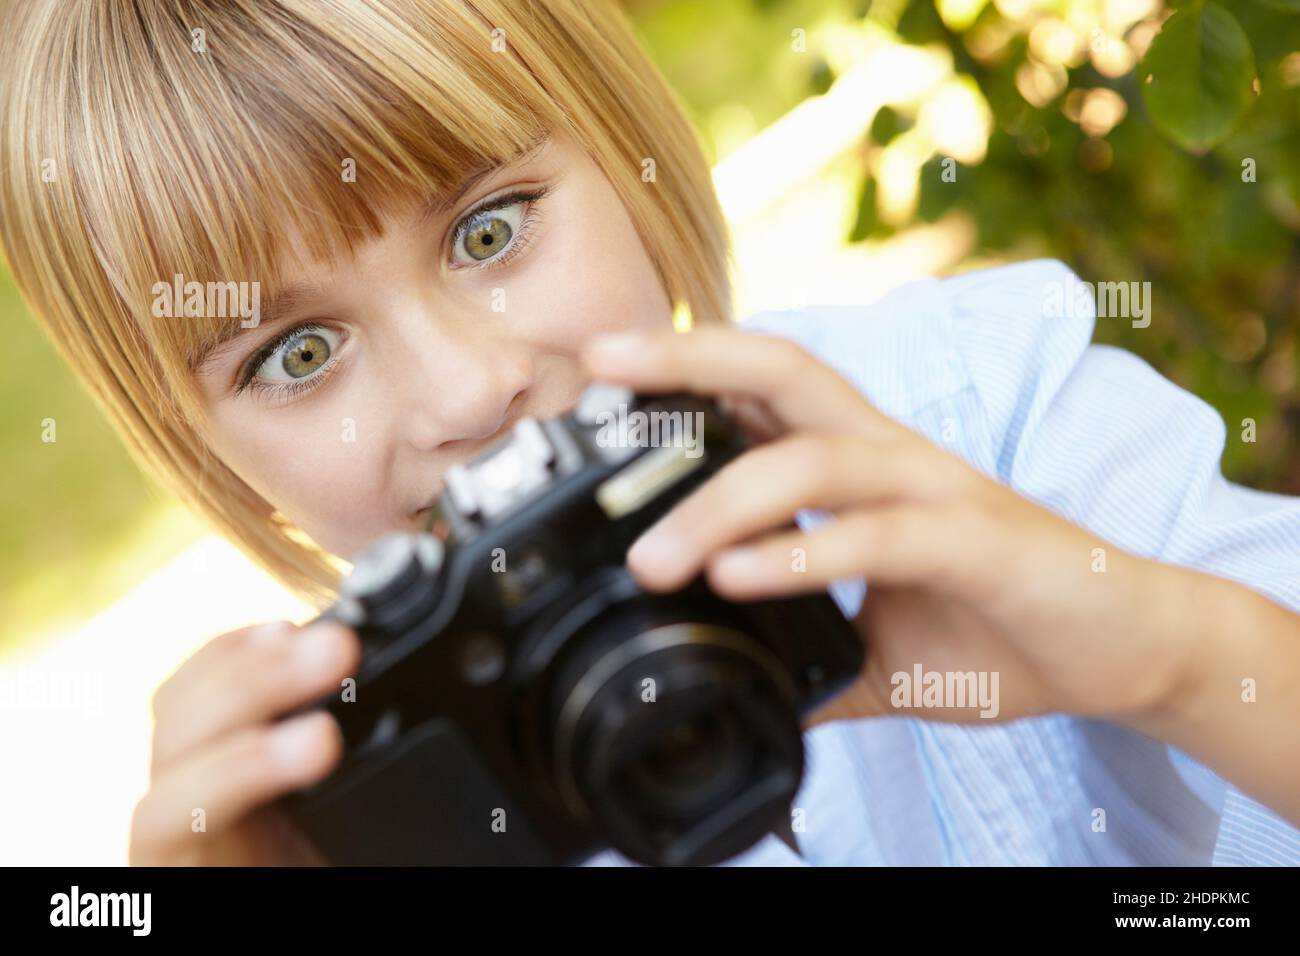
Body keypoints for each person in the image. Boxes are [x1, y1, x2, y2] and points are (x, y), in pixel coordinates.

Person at [0, 0, 1295, 867]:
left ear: (630, 157)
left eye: (489, 229)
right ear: (201, 446)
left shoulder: (969, 405)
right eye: (294, 355)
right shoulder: (354, 792)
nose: (465, 395)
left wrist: (1168, 655)